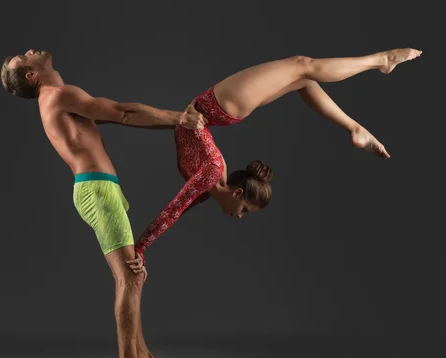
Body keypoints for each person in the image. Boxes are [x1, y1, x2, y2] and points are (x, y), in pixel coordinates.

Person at [0, 49, 206, 358]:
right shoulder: (58, 94)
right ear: (31, 76)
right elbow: (123, 112)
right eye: (22, 58)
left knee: (134, 275)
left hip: (99, 188)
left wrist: (174, 120)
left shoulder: (62, 99)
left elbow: (116, 115)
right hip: (97, 190)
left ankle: (140, 355)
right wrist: (179, 118)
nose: (29, 51)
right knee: (129, 277)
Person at [130, 48, 422, 278]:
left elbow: (174, 211)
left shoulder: (207, 185)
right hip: (220, 106)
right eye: (245, 210)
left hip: (220, 106)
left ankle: (361, 113)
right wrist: (140, 248)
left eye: (245, 211)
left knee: (304, 76)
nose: (240, 216)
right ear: (237, 192)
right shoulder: (211, 175)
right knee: (301, 64)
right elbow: (174, 210)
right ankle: (378, 63)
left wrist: (140, 249)